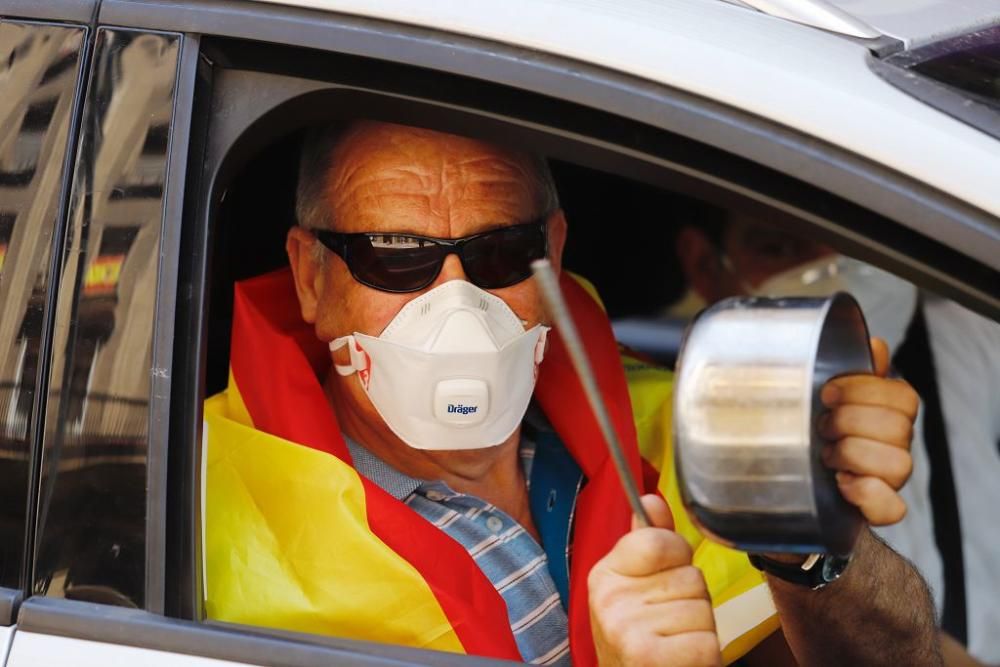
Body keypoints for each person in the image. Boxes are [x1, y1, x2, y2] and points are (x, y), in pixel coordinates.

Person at [202, 121, 938, 666]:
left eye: (498, 252)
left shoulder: (689, 425)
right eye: (397, 258)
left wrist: (811, 533)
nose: (455, 302)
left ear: (552, 252)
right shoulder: (208, 515)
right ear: (310, 278)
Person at [676, 211, 1000, 666]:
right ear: (706, 266)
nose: (838, 270)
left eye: (861, 246)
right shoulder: (704, 464)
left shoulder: (960, 338)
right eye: (780, 249)